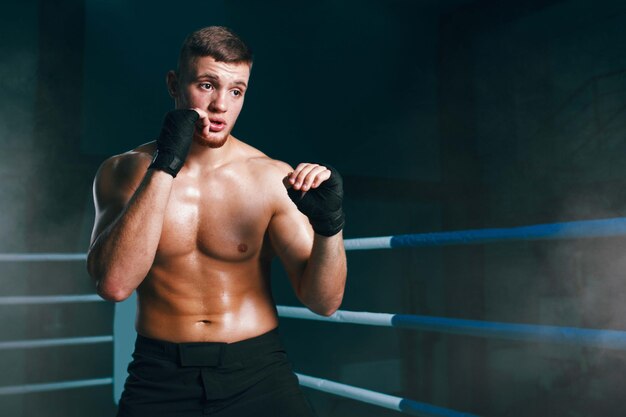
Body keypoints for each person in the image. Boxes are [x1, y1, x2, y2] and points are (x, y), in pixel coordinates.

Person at [86, 26, 347, 417]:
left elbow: (324, 302)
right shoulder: (122, 171)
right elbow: (114, 284)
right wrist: (165, 165)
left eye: (236, 91)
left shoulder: (270, 178)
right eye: (207, 85)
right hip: (159, 375)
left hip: (257, 371)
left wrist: (330, 228)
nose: (220, 105)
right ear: (175, 84)